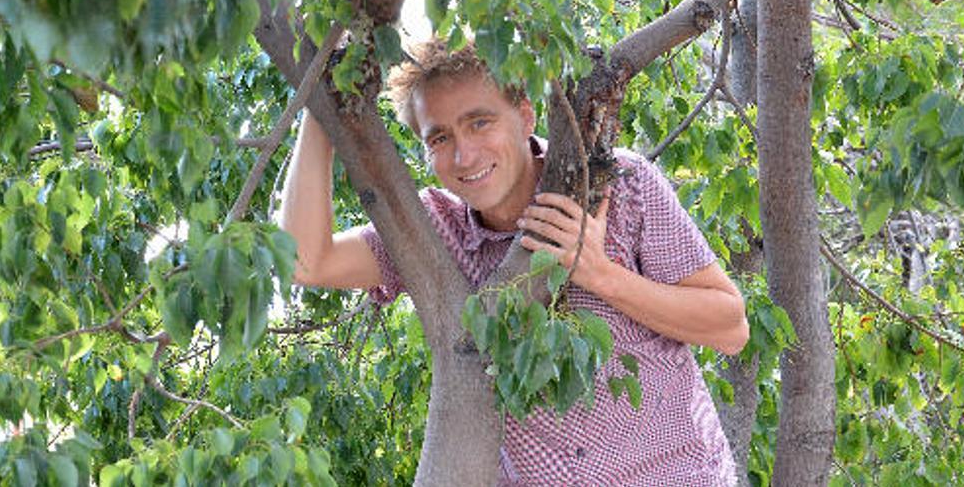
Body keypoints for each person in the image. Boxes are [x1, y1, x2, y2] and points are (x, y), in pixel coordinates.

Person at [278, 38, 749, 485]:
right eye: (439, 137)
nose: (464, 154)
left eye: (480, 122)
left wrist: (602, 275)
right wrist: (322, 110)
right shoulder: (434, 230)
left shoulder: (616, 184)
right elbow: (305, 261)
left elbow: (731, 328)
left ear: (525, 116)